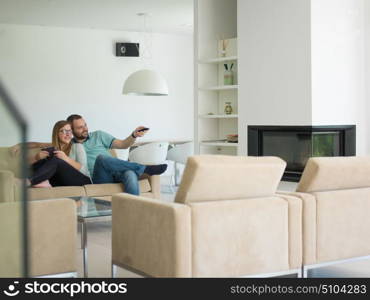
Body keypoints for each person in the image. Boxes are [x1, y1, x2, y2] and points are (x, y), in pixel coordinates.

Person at [66, 114, 167, 195]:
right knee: (101, 158)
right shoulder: (70, 146)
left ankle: (134, 211)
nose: (85, 129)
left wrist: (134, 135)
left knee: (130, 173)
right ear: (72, 130)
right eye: (80, 127)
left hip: (116, 172)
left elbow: (123, 144)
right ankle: (144, 169)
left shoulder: (99, 135)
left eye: (85, 125)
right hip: (100, 177)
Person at [28, 120, 92, 187]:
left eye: (70, 131)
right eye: (64, 131)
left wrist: (66, 159)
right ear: (56, 133)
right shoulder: (50, 150)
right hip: (61, 182)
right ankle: (43, 181)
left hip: (83, 181)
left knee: (57, 161)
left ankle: (29, 181)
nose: (68, 134)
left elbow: (84, 171)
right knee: (41, 162)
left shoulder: (77, 146)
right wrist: (37, 158)